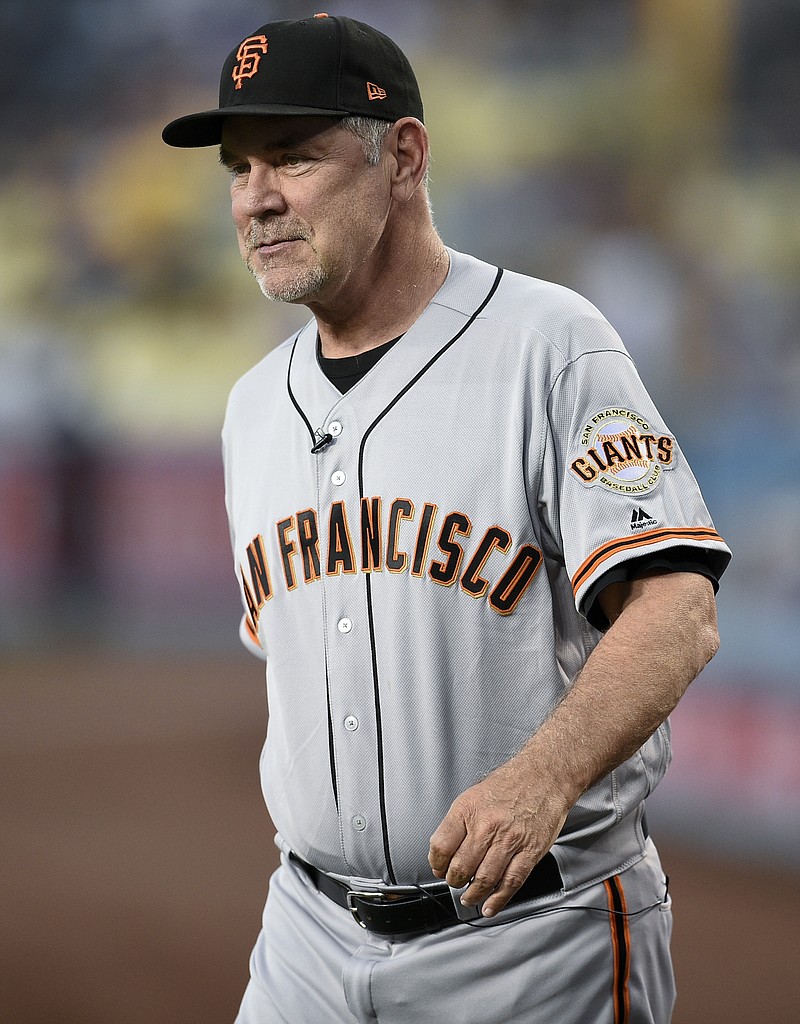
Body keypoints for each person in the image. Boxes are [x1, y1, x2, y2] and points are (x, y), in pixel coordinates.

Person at [163, 14, 731, 1024]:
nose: (255, 198)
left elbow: (676, 605)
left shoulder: (549, 344)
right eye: (240, 167)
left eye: (292, 156)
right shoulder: (252, 405)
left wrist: (542, 775)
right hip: (304, 935)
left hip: (527, 941)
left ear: (404, 155)